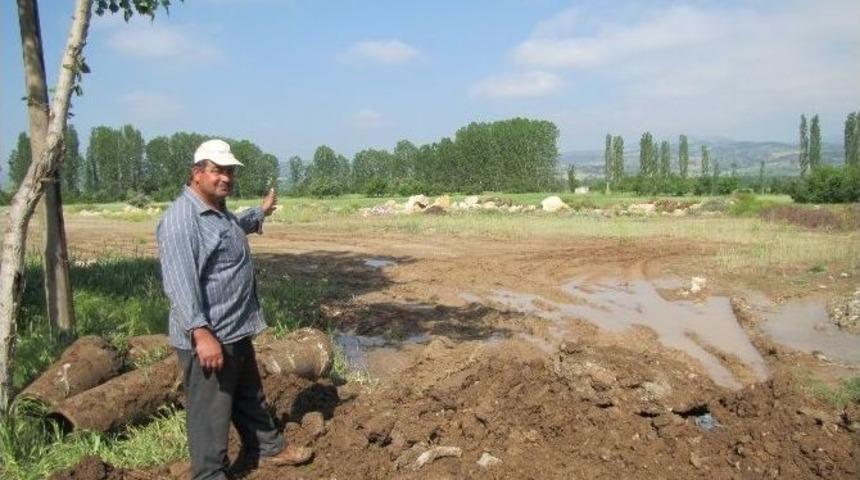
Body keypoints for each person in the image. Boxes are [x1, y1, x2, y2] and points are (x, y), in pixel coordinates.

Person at [157, 139, 312, 480]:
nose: (225, 178)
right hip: (210, 336)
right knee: (210, 415)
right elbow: (180, 284)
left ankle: (267, 450)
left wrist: (260, 212)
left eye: (229, 171)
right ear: (197, 173)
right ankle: (209, 474)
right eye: (217, 171)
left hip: (233, 329)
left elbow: (229, 232)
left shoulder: (216, 212)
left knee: (249, 396)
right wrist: (201, 333)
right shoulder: (182, 220)